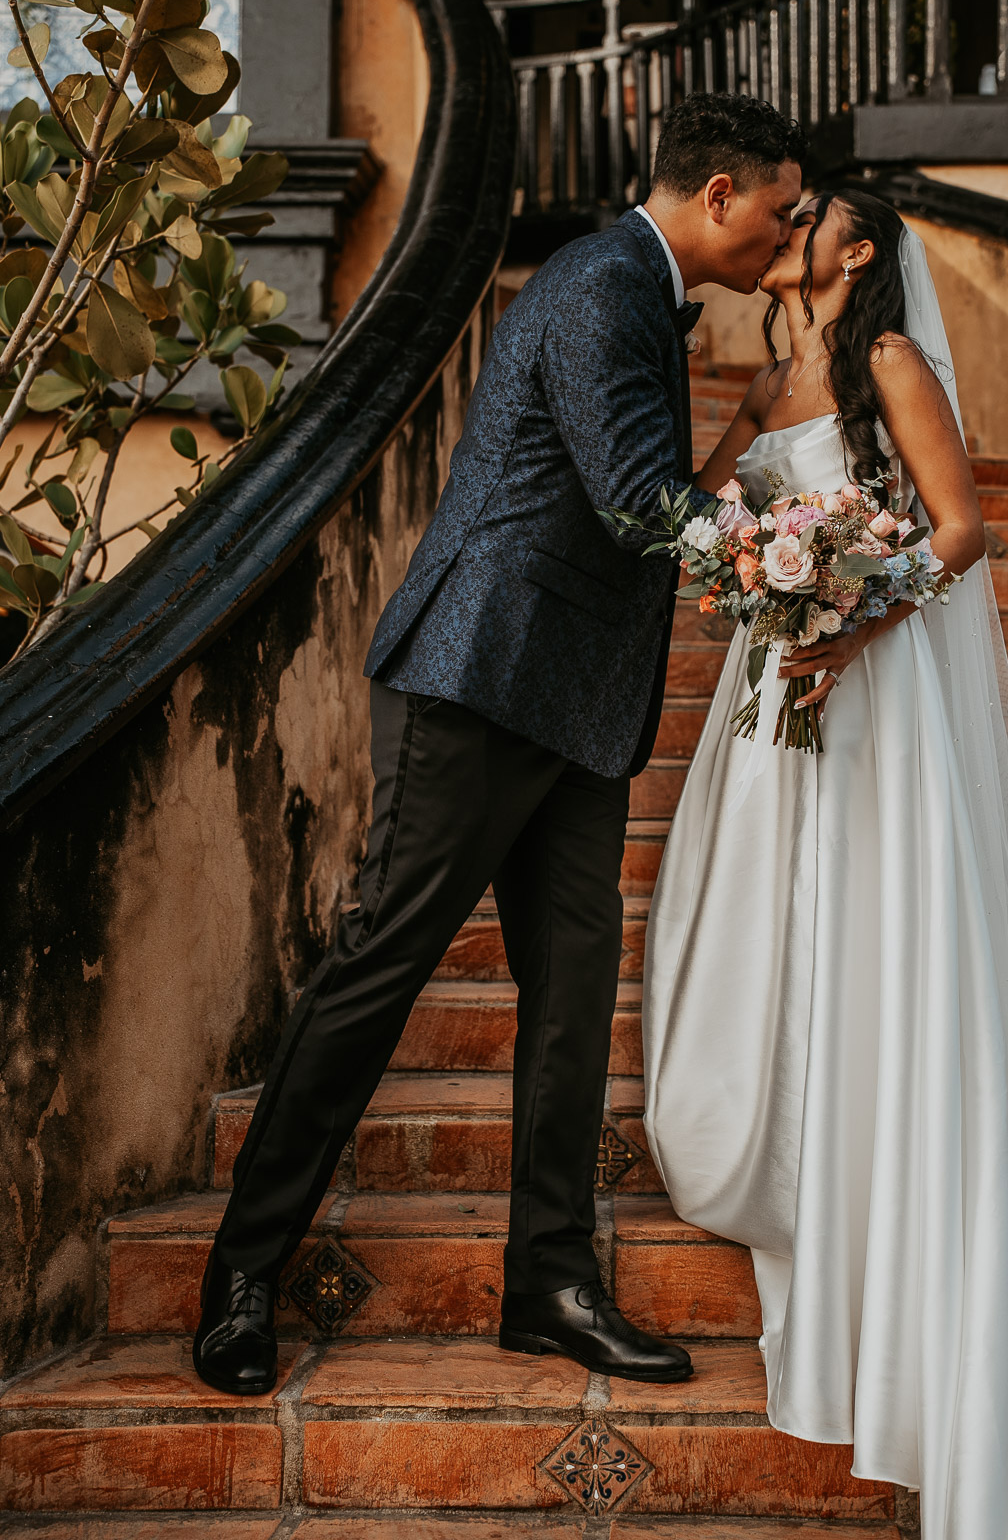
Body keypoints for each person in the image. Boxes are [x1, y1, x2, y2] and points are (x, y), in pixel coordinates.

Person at [191, 91, 807, 1397]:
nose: (787, 232)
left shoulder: (641, 293)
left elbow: (642, 493)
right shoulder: (600, 285)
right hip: (480, 679)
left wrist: (758, 472)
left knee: (574, 998)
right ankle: (244, 1272)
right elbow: (639, 494)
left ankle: (552, 1285)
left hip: (578, 707)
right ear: (717, 196)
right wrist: (790, 568)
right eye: (778, 206)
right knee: (377, 971)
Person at [642, 188, 1008, 1538]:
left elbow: (960, 528)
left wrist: (844, 615)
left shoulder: (892, 362)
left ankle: (891, 1173)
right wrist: (747, 574)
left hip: (867, 688)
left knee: (870, 934)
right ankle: (780, 1146)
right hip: (771, 694)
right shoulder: (770, 372)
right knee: (753, 934)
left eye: (811, 214)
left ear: (862, 251)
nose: (787, 223)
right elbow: (693, 513)